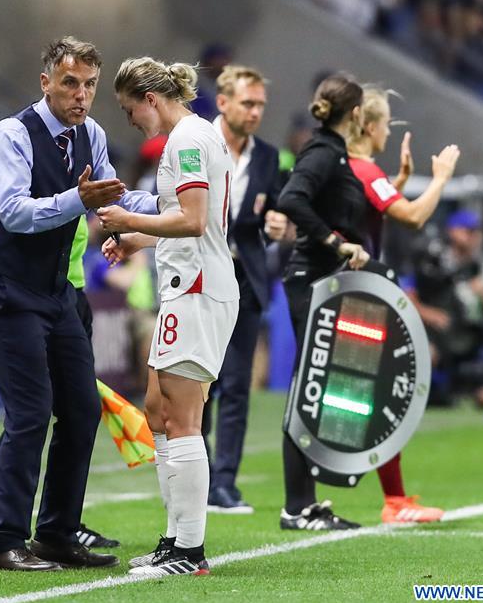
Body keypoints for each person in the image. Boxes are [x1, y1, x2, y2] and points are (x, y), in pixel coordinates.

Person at [0, 37, 159, 572]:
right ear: (46, 81)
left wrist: (177, 199)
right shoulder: (12, 135)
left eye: (90, 86)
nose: (81, 96)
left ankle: (55, 532)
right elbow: (14, 213)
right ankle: (3, 539)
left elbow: (116, 198)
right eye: (71, 83)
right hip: (8, 290)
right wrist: (81, 200)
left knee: (81, 408)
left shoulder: (90, 134)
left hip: (56, 293)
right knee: (30, 414)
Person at [98, 56, 238, 576]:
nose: (130, 119)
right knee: (157, 408)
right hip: (185, 287)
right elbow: (186, 217)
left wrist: (129, 218)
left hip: (198, 290)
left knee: (182, 419)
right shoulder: (193, 136)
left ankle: (189, 551)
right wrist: (138, 238)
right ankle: (175, 536)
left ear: (151, 99)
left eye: (129, 107)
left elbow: (196, 219)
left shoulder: (187, 140)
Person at [0, 216, 119, 550]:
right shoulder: (54, 184)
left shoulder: (77, 177)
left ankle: (56, 525)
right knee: (31, 411)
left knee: (69, 411)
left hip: (67, 294)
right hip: (43, 293)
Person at [347, 85, 460, 523]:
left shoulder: (358, 169)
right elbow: (412, 216)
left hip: (355, 289)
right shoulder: (362, 167)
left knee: (371, 394)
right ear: (370, 125)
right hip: (356, 293)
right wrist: (441, 178)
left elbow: (365, 208)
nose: (390, 132)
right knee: (368, 396)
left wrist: (396, 182)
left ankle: (393, 498)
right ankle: (386, 501)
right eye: (388, 123)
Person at [275, 74, 371, 531]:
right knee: (306, 390)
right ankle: (296, 507)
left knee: (313, 391)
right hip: (311, 280)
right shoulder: (324, 151)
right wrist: (337, 242)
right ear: (355, 114)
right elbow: (292, 198)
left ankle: (305, 503)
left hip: (322, 282)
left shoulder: (332, 150)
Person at [200, 65, 290, 514]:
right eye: (247, 103)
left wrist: (278, 224)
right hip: (200, 277)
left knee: (237, 384)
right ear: (223, 102)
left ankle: (225, 484)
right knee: (198, 383)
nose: (255, 113)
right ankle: (194, 478)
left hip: (246, 278)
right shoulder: (196, 142)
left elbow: (276, 214)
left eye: (260, 105)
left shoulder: (270, 158)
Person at [404, 209, 483, 410]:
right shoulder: (431, 262)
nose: (473, 236)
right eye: (468, 230)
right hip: (436, 338)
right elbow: (406, 295)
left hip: (468, 341)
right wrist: (430, 314)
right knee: (426, 356)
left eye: (477, 231)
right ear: (453, 231)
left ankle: (459, 389)